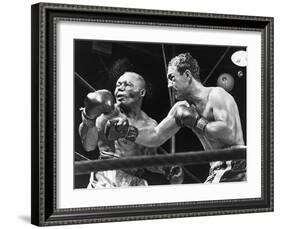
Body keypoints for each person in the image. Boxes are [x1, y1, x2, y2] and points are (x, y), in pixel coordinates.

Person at [133, 52, 246, 183]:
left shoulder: (216, 94)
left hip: (237, 165)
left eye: (172, 78)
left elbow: (229, 132)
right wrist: (127, 132)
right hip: (217, 168)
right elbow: (155, 136)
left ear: (187, 75)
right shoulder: (181, 108)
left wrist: (197, 121)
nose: (169, 85)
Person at [79, 72, 182, 188]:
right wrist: (88, 118)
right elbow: (88, 146)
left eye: (127, 85)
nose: (120, 88)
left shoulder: (150, 124)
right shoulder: (109, 113)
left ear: (141, 92)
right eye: (118, 85)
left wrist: (166, 169)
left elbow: (147, 160)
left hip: (135, 180)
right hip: (107, 175)